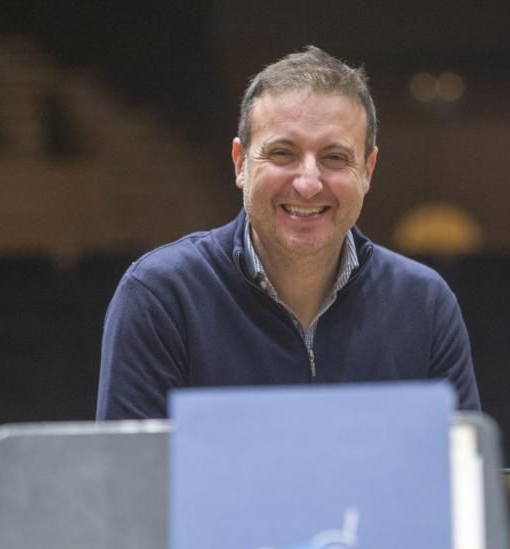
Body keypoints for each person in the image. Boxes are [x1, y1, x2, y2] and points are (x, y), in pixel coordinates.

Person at [96, 46, 479, 419]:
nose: (308, 183)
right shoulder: (160, 296)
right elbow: (126, 482)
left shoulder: (425, 304)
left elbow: (459, 480)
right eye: (282, 153)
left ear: (367, 171)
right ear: (240, 163)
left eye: (334, 157)